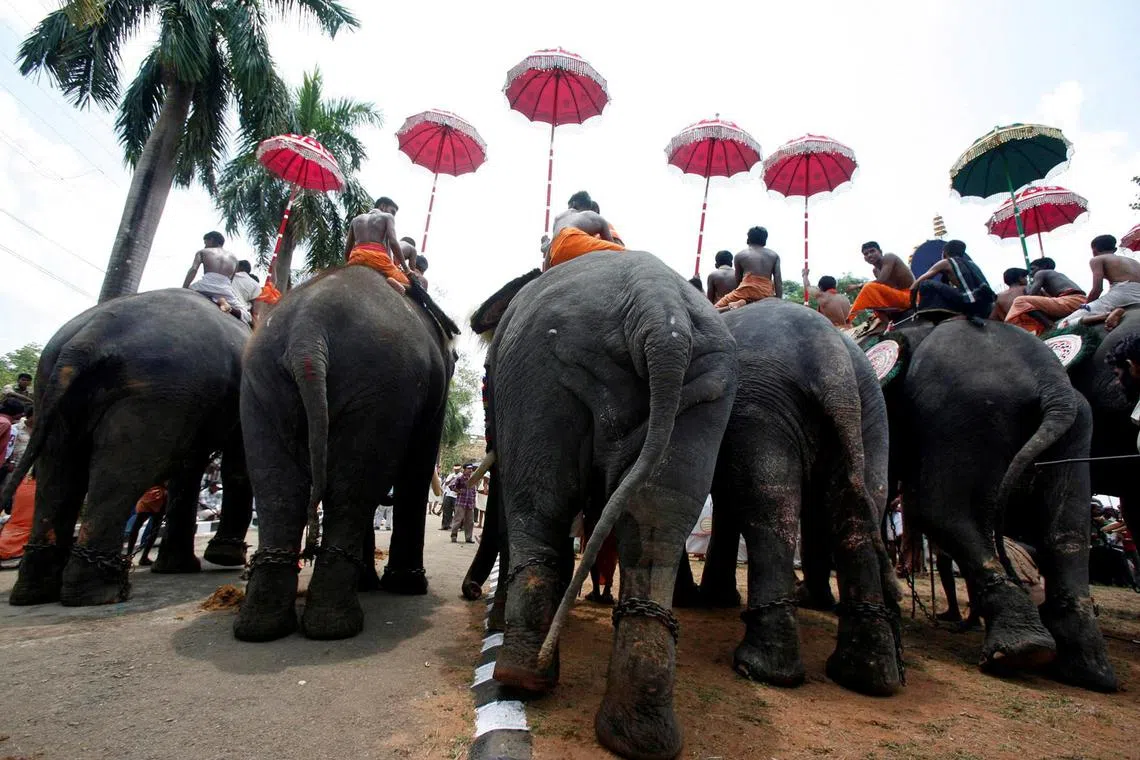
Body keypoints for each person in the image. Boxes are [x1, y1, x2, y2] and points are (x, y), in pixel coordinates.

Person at [1058, 234, 1140, 331]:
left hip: (1121, 295)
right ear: (1115, 249)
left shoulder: (1097, 259)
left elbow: (1097, 289)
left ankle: (1105, 316)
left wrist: (1085, 306)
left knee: (1063, 324)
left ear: (1094, 250)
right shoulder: (1133, 261)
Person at [910, 240, 995, 323]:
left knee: (925, 283)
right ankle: (968, 314)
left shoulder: (946, 262)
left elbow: (915, 285)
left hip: (970, 304)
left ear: (944, 253)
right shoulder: (972, 264)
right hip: (986, 306)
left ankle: (937, 313)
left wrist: (914, 307)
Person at [344, 197, 411, 294]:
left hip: (356, 258)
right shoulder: (387, 217)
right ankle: (396, 282)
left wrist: (350, 264)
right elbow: (393, 242)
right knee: (410, 285)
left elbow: (347, 251)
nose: (393, 215)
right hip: (378, 258)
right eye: (392, 211)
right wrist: (407, 269)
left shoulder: (355, 220)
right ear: (383, 206)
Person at [541, 191, 624, 270]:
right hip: (573, 241)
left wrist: (544, 273)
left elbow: (550, 249)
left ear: (573, 204)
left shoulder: (559, 218)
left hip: (556, 255)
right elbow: (612, 248)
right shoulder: (591, 216)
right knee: (624, 253)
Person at [1004, 257, 1087, 335]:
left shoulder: (1041, 273)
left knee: (1020, 301)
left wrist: (1028, 287)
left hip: (1072, 300)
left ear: (1044, 266)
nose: (1031, 273)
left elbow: (1031, 294)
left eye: (1033, 269)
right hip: (1079, 301)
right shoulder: (1056, 275)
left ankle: (1050, 326)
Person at [714, 226, 782, 311]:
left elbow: (738, 280)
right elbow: (778, 280)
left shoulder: (740, 255)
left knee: (714, 310)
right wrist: (779, 300)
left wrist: (739, 294)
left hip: (745, 291)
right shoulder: (774, 255)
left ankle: (735, 305)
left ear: (748, 239)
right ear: (765, 240)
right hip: (766, 293)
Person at [847, 242, 916, 322]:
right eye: (866, 254)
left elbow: (882, 281)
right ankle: (889, 327)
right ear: (865, 258)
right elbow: (882, 289)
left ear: (880, 251)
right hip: (897, 300)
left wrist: (858, 285)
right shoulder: (875, 271)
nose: (869, 255)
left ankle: (849, 319)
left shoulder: (889, 257)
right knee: (872, 299)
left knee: (868, 288)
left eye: (872, 251)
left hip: (911, 297)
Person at [183, 231, 244, 318]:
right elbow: (230, 281)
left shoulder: (203, 251)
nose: (205, 246)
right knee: (246, 314)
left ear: (211, 240)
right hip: (224, 290)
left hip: (204, 286)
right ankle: (228, 306)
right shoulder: (235, 259)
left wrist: (184, 288)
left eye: (205, 243)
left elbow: (193, 269)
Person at [127, 485, 166, 566]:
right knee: (153, 530)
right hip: (157, 499)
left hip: (149, 498)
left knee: (138, 528)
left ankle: (129, 556)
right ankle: (141, 557)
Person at [450, 464, 477, 543]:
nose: (470, 470)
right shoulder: (460, 478)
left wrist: (474, 501)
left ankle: (468, 538)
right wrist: (458, 491)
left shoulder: (472, 479)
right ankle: (454, 536)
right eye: (469, 469)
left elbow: (474, 491)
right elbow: (451, 485)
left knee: (470, 521)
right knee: (458, 520)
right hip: (461, 502)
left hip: (470, 503)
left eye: (471, 469)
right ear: (464, 470)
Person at [440, 464, 461, 530]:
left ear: (460, 469)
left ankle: (458, 526)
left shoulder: (461, 476)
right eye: (455, 469)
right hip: (448, 494)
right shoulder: (451, 475)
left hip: (456, 495)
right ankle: (445, 525)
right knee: (446, 510)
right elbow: (446, 484)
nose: (456, 470)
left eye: (457, 469)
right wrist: (452, 479)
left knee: (457, 511)